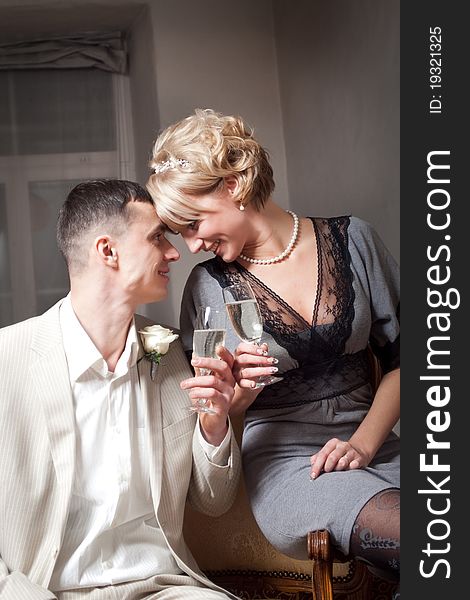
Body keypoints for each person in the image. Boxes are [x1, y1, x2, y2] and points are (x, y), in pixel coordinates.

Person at [146, 109, 401, 582]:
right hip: (290, 468)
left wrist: (364, 445)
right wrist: (233, 397)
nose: (192, 244)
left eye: (194, 223)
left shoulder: (356, 240)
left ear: (235, 184)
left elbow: (405, 359)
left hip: (379, 445)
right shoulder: (208, 287)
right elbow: (223, 411)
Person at [0, 179, 241, 600]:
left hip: (163, 588)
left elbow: (214, 502)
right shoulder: (8, 359)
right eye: (156, 238)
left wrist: (214, 423)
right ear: (107, 251)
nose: (174, 252)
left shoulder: (168, 352)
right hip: (45, 591)